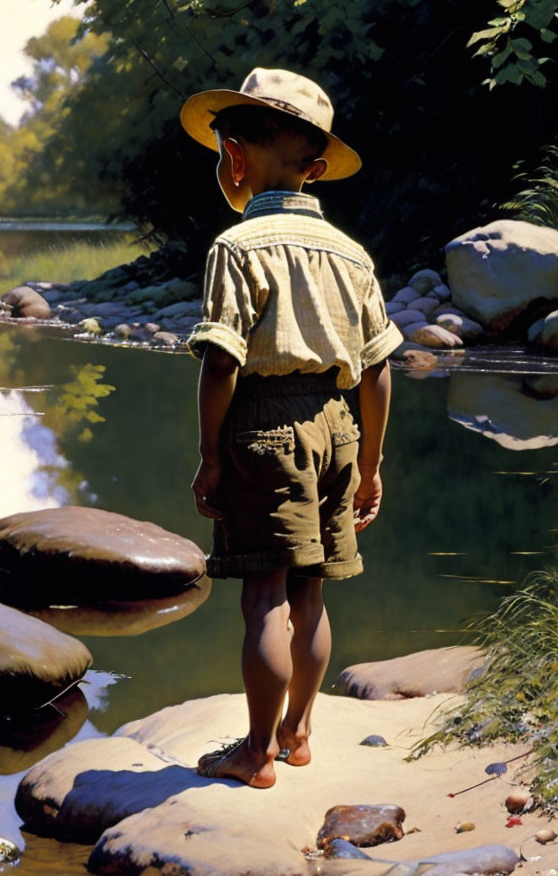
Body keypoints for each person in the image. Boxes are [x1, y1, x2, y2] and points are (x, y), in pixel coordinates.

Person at [181, 67, 403, 789]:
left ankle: (255, 753)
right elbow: (377, 369)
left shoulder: (235, 248)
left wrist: (210, 455)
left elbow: (220, 362)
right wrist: (371, 463)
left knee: (263, 597)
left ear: (235, 162)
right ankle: (299, 732)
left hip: (264, 426)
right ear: (315, 169)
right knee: (311, 594)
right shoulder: (353, 254)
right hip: (338, 427)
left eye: (223, 152)